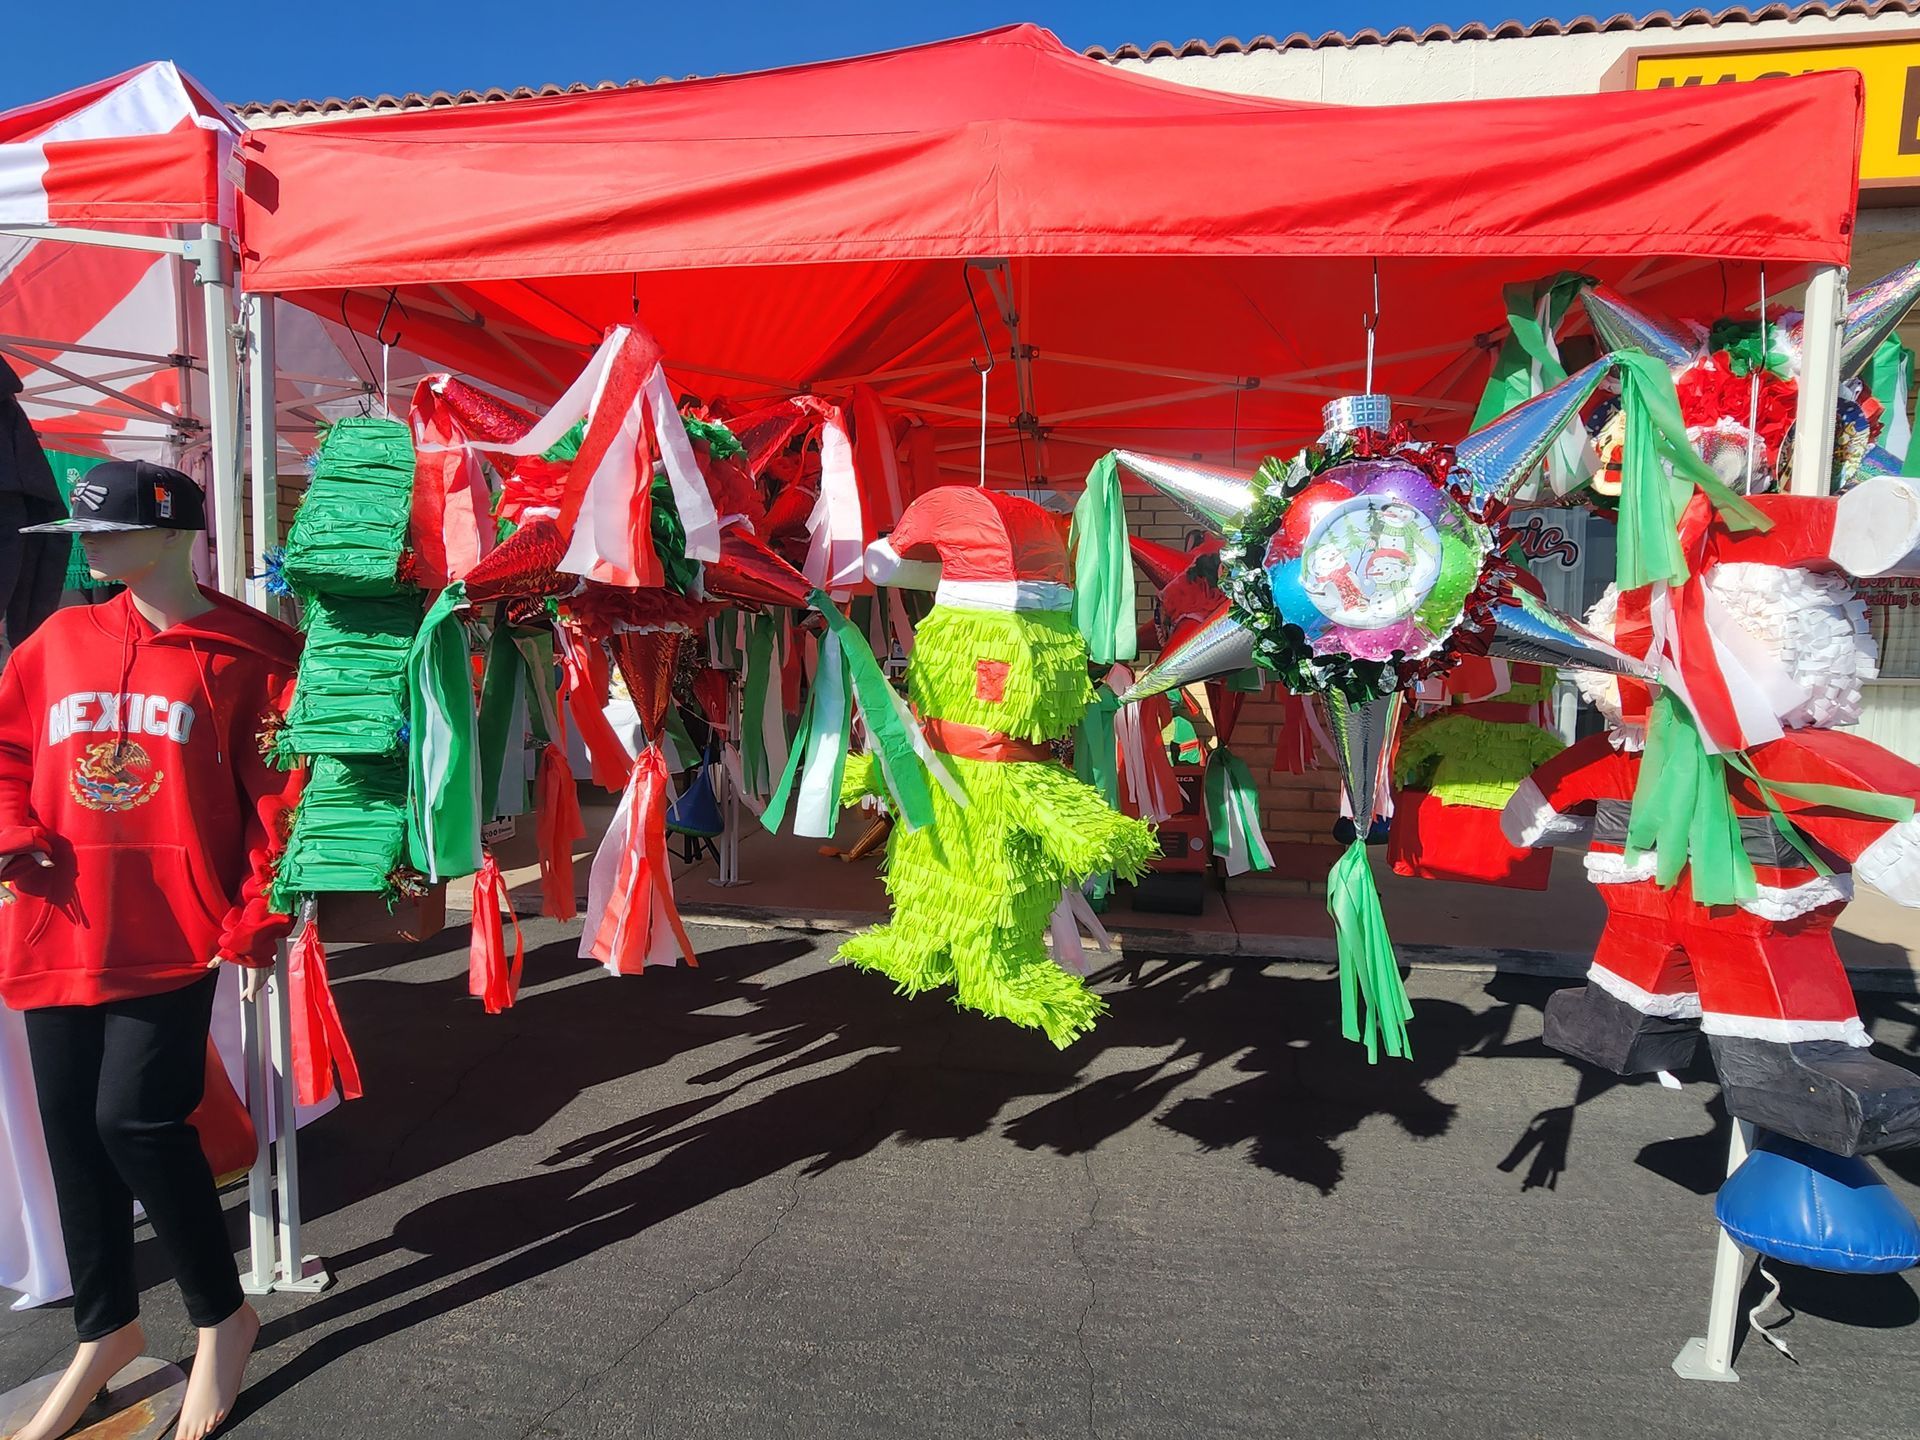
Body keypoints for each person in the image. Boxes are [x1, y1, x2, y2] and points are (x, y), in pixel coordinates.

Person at [0, 460, 301, 1440]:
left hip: (173, 931)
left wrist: (258, 911)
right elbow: (5, 751)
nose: (88, 548)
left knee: (135, 1120)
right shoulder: (56, 642)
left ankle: (223, 1315)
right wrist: (11, 833)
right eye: (80, 534)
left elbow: (282, 800)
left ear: (172, 533)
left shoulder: (254, 651)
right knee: (70, 1132)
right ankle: (106, 1331)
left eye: (106, 531)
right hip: (56, 923)